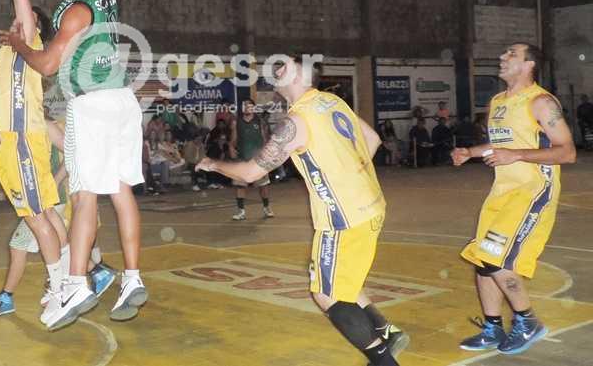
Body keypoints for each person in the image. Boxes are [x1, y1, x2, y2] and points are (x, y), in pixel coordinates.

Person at [0, 0, 145, 331]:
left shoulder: (76, 10)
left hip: (92, 105)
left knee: (82, 196)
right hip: (123, 103)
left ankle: (75, 283)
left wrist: (19, 43)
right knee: (120, 190)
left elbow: (46, 65)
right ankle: (132, 277)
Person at [197, 57, 408, 366]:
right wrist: (350, 172)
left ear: (299, 75)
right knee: (341, 278)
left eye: (282, 68)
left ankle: (384, 361)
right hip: (371, 204)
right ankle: (386, 332)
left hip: (342, 218)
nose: (275, 71)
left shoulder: (296, 121)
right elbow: (372, 140)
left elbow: (251, 173)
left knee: (326, 294)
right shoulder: (332, 101)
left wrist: (213, 164)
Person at [0, 0, 79, 331]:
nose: (14, 20)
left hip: (23, 141)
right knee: (46, 215)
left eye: (20, 18)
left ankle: (62, 287)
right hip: (17, 139)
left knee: (37, 218)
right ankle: (76, 277)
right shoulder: (12, 51)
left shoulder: (28, 38)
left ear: (32, 26)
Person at [452, 43, 576, 355]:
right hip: (502, 192)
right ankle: (493, 326)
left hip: (532, 191)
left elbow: (567, 152)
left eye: (511, 54)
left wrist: (517, 155)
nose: (502, 57)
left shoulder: (542, 102)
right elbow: (499, 144)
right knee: (483, 260)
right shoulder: (498, 101)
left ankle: (527, 320)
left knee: (496, 257)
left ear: (529, 64)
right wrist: (470, 152)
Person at [0, 119, 117, 317]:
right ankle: (93, 272)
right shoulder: (23, 128)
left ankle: (12, 297)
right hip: (43, 196)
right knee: (42, 245)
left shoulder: (45, 125)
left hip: (49, 197)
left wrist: (56, 180)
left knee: (20, 245)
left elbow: (72, 155)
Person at [230, 99, 274, 220]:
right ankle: (241, 212)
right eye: (244, 105)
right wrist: (231, 147)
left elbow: (265, 138)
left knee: (263, 185)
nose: (247, 107)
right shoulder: (236, 122)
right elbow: (233, 139)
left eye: (249, 105)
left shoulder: (260, 121)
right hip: (242, 158)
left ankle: (266, 208)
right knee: (240, 186)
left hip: (257, 159)